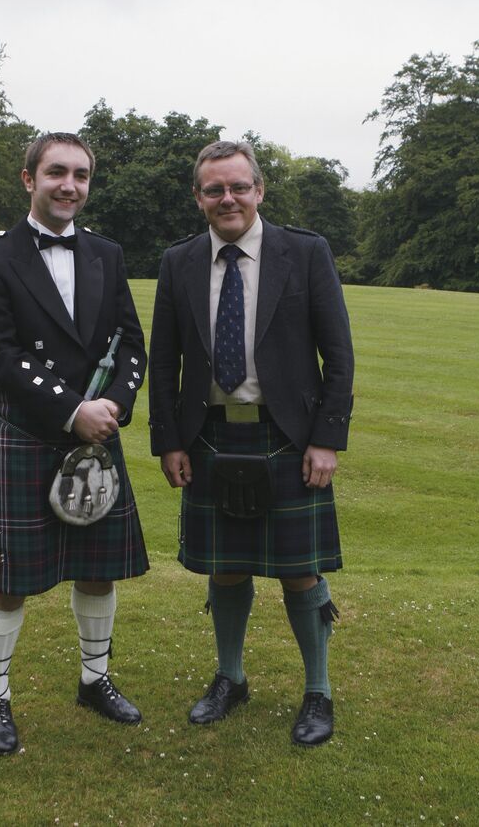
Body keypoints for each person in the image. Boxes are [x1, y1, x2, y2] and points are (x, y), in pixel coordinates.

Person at [148, 140, 354, 745]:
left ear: (259, 190)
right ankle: (230, 679)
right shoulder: (178, 261)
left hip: (288, 436)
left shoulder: (305, 252)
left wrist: (327, 439)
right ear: (199, 198)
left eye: (239, 187)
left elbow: (337, 356)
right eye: (215, 189)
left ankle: (318, 691)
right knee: (227, 567)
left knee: (300, 571)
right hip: (210, 435)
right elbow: (164, 363)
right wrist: (169, 441)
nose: (228, 198)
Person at [0, 132, 148, 755]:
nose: (70, 185)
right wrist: (74, 411)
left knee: (97, 571)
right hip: (34, 431)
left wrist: (114, 404)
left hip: (98, 434)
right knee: (9, 578)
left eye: (81, 175)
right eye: (56, 173)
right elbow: (1, 355)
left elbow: (129, 342)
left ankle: (94, 682)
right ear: (28, 180)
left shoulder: (107, 253)